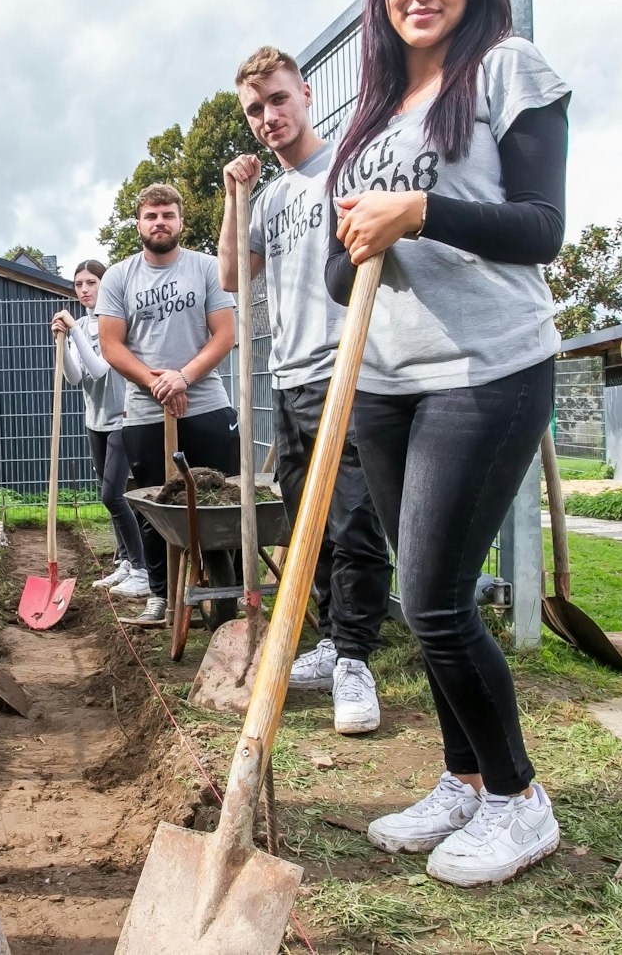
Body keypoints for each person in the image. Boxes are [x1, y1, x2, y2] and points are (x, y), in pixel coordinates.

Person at [322, 0, 569, 886]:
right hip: (385, 378)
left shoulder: (508, 68)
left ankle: (517, 798)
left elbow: (539, 226)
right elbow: (342, 275)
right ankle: (461, 777)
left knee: (428, 599)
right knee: (430, 598)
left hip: (486, 368)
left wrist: (418, 210)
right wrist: (356, 247)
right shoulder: (371, 114)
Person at [220, 46, 393, 737]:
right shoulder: (268, 198)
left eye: (279, 100)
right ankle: (329, 639)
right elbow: (235, 276)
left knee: (353, 519)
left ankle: (356, 657)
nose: (269, 116)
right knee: (305, 524)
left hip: (350, 366)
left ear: (307, 94)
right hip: (288, 376)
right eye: (256, 109)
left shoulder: (347, 166)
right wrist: (233, 197)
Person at [97, 184, 239, 627]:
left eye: (168, 215)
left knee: (222, 501)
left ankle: (224, 592)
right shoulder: (119, 277)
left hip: (206, 404)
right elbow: (111, 345)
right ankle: (161, 594)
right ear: (138, 223)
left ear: (181, 221)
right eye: (151, 215)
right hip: (144, 412)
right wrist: (156, 381)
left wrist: (184, 376)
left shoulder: (206, 268)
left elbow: (224, 334)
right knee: (155, 506)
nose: (160, 222)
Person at [49, 261, 149, 595]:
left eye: (91, 282)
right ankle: (123, 562)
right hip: (96, 421)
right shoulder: (81, 326)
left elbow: (102, 369)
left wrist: (74, 330)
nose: (85, 290)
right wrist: (62, 344)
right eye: (78, 284)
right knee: (110, 497)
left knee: (113, 495)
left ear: (104, 284)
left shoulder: (114, 322)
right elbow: (77, 376)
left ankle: (142, 570)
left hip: (123, 418)